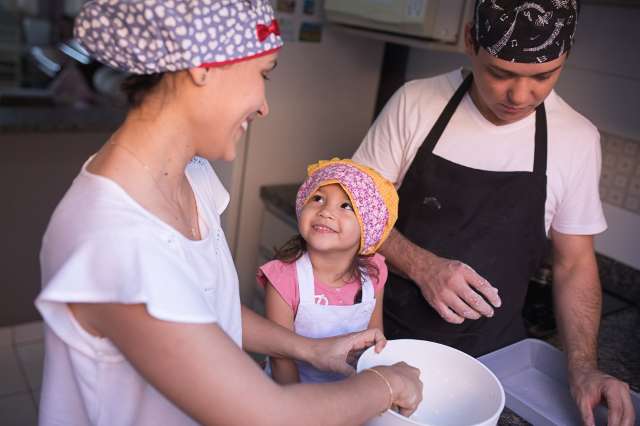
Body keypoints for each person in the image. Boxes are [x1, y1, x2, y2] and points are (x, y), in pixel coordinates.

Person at [35, 1, 423, 425]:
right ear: (203, 65)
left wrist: (309, 350)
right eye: (263, 73)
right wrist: (386, 384)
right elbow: (265, 416)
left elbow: (205, 307)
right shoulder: (114, 240)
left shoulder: (191, 177)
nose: (263, 105)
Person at [353, 1, 635, 425]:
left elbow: (574, 263)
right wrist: (422, 265)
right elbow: (356, 209)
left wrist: (582, 368)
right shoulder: (416, 103)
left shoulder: (576, 139)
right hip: (383, 343)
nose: (520, 96)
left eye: (543, 76)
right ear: (470, 41)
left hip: (494, 364)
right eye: (500, 73)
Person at [258, 158, 398, 384]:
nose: (325, 211)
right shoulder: (283, 279)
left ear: (368, 228)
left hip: (350, 393)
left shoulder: (374, 273)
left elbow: (375, 343)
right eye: (318, 198)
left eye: (346, 206)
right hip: (291, 397)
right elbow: (281, 359)